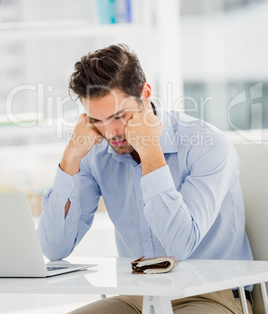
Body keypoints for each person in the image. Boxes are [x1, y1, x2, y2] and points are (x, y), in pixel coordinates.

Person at [38, 43, 253, 314]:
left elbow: (180, 246)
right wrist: (70, 159)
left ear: (145, 94)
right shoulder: (95, 154)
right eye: (97, 120)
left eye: (119, 116)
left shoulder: (207, 145)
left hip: (211, 294)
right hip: (137, 296)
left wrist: (150, 149)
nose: (111, 132)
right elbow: (54, 248)